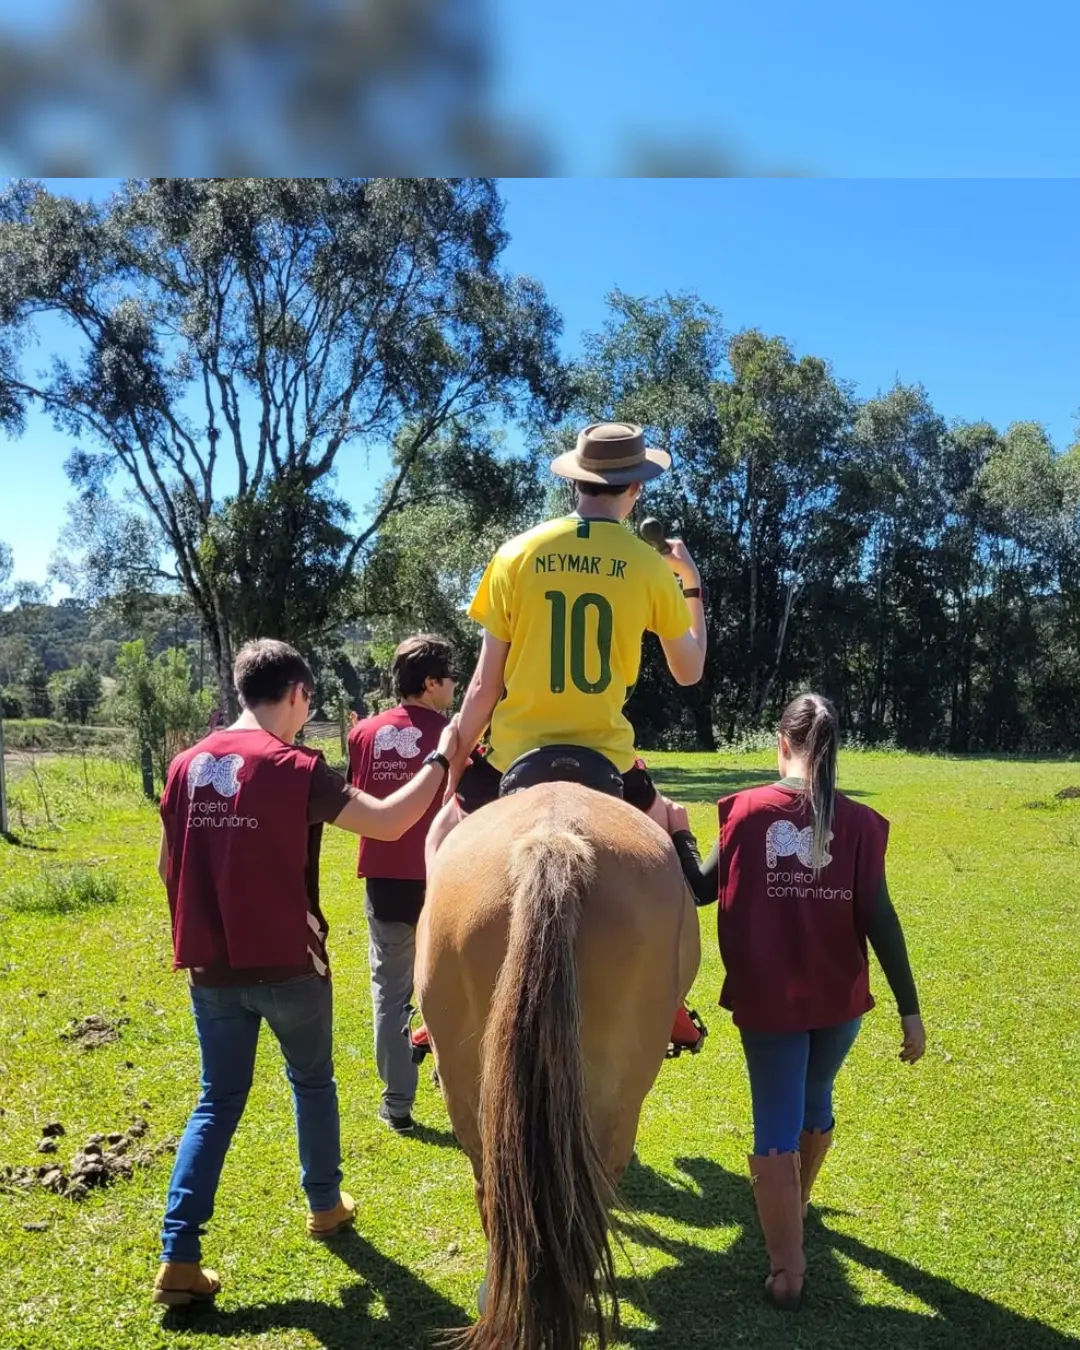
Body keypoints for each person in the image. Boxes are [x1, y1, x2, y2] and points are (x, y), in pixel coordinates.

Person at [152, 638, 458, 1308]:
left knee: (217, 1101)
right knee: (312, 1082)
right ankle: (324, 1204)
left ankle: (179, 1254)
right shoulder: (296, 767)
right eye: (307, 703)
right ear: (295, 693)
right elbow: (390, 820)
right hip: (291, 963)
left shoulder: (182, 767)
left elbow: (164, 867)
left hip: (211, 968)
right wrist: (440, 757)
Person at [664, 693, 926, 1310]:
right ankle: (795, 1212)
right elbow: (880, 919)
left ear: (782, 743)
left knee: (775, 1124)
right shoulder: (859, 822)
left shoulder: (748, 812)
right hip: (840, 1003)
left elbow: (700, 890)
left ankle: (788, 1271)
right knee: (815, 1101)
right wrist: (910, 1009)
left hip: (770, 1001)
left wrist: (677, 831)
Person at [426, 420, 707, 863]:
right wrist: (690, 582)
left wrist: (458, 760)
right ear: (636, 487)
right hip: (609, 760)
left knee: (439, 843)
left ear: (576, 481)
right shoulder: (650, 567)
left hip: (512, 757)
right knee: (673, 841)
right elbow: (689, 672)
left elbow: (484, 687)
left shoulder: (515, 553)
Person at [347, 635, 457, 1134]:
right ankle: (462, 1095)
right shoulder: (457, 735)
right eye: (450, 676)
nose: (455, 685)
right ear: (431, 682)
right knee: (459, 987)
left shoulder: (363, 733)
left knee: (390, 994)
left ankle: (397, 1106)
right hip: (449, 877)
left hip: (386, 880)